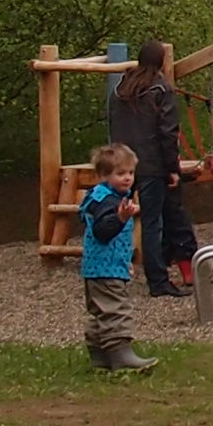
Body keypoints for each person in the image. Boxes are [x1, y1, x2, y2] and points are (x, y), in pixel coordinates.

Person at [105, 39, 194, 298]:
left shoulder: (122, 88)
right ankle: (158, 281)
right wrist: (172, 168)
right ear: (161, 61)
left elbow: (113, 123)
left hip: (123, 162)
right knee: (152, 223)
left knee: (115, 218)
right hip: (151, 164)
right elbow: (168, 133)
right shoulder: (160, 88)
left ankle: (110, 272)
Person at [76, 144, 156, 374]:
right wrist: (120, 218)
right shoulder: (107, 202)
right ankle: (121, 355)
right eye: (120, 173)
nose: (128, 178)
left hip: (101, 265)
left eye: (130, 173)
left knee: (100, 311)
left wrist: (125, 260)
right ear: (103, 175)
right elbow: (103, 231)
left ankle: (100, 355)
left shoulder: (101, 197)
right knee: (115, 309)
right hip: (105, 267)